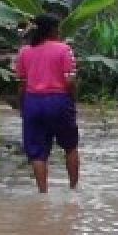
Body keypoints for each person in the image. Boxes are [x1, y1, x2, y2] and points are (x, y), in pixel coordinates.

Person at [15, 14, 80, 193]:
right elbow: (71, 81)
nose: (59, 31)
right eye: (57, 28)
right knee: (70, 146)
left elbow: (21, 84)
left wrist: (23, 107)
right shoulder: (64, 49)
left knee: (37, 153)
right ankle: (73, 189)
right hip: (59, 101)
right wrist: (73, 101)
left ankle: (42, 193)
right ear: (51, 30)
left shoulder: (24, 52)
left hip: (32, 102)